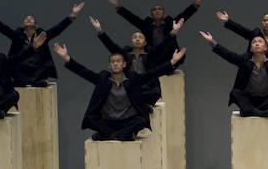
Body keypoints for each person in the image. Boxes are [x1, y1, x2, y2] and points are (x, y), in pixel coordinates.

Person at [52, 42, 185, 141]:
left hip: (127, 121)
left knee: (141, 121)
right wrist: (66, 57)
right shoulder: (103, 80)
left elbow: (151, 73)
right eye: (113, 62)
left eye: (118, 61)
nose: (115, 64)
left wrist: (172, 62)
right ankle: (120, 135)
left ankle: (109, 136)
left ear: (124, 64)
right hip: (108, 122)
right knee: (91, 119)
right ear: (109, 66)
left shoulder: (132, 80)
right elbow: (84, 72)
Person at [0, 0, 83, 86]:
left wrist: (72, 15)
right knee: (9, 65)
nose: (28, 19)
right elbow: (2, 27)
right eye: (26, 19)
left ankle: (28, 82)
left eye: (31, 19)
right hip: (21, 68)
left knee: (48, 66)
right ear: (23, 25)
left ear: (36, 25)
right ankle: (31, 82)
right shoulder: (18, 34)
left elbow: (57, 29)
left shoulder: (41, 35)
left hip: (37, 69)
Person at [90, 15, 184, 104]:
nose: (137, 39)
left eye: (140, 37)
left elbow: (162, 46)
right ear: (131, 42)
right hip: (130, 88)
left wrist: (173, 32)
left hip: (148, 88)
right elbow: (111, 46)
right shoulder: (125, 56)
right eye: (135, 37)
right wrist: (99, 30)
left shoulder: (150, 55)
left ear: (145, 43)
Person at [105, 0, 208, 69]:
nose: (157, 11)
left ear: (163, 13)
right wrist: (118, 6)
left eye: (160, 9)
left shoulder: (170, 23)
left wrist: (196, 3)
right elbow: (131, 18)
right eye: (154, 9)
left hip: (169, 55)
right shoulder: (146, 25)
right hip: (153, 56)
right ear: (151, 14)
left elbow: (184, 15)